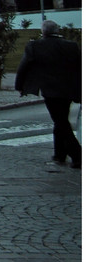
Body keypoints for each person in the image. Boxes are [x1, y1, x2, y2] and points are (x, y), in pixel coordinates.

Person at [15, 19, 81, 169]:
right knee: (61, 119)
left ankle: (78, 155)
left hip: (50, 89)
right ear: (57, 31)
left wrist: (20, 86)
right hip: (69, 89)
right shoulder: (71, 46)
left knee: (61, 121)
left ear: (43, 31)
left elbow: (24, 67)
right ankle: (60, 154)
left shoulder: (35, 46)